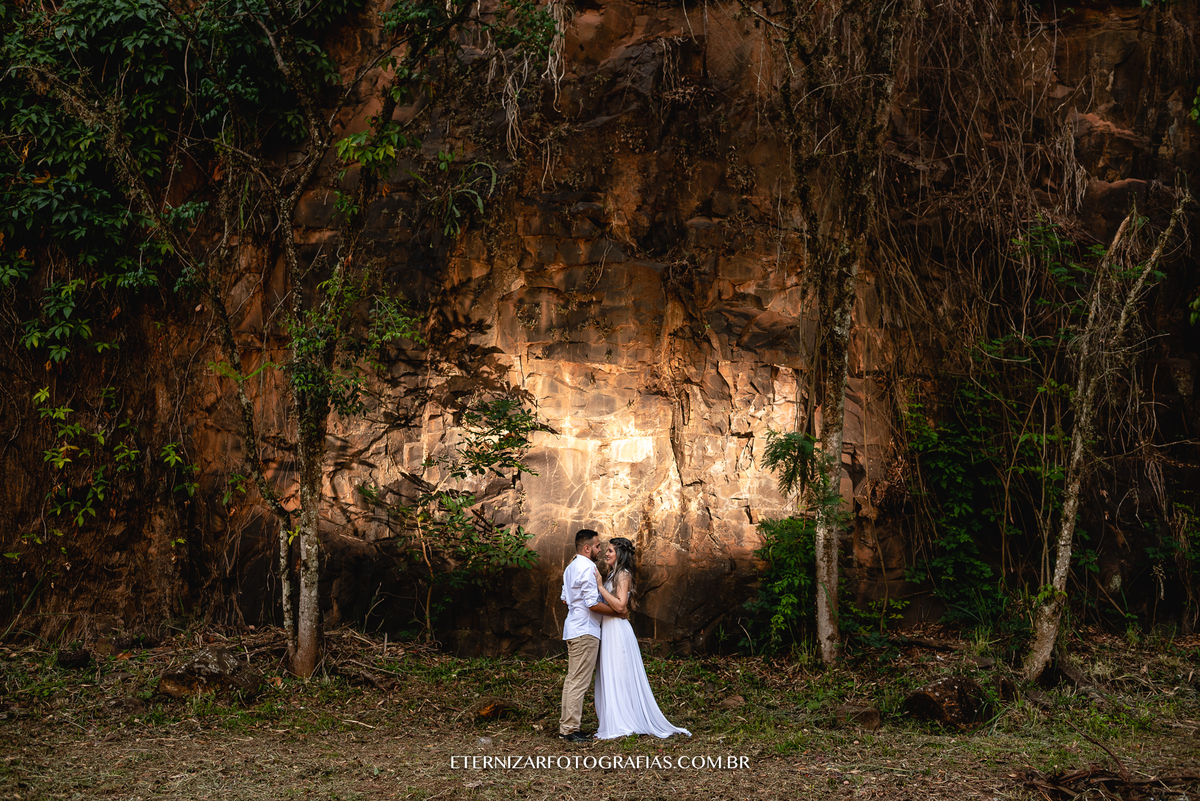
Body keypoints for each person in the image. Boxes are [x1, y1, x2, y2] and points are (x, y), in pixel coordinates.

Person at [591, 537, 691, 739]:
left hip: (617, 631)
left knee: (619, 674)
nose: (606, 554)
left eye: (610, 550)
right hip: (608, 630)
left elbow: (620, 606)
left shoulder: (623, 575)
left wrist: (600, 588)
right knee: (610, 674)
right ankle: (613, 719)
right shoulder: (613, 575)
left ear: (619, 554)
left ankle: (624, 720)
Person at [558, 528, 622, 742]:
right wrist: (617, 611)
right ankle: (569, 730)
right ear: (587, 548)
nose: (599, 549)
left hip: (574, 627)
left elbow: (565, 599)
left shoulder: (571, 567)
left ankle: (567, 726)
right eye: (597, 546)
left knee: (572, 680)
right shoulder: (588, 568)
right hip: (585, 631)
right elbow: (592, 603)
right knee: (578, 682)